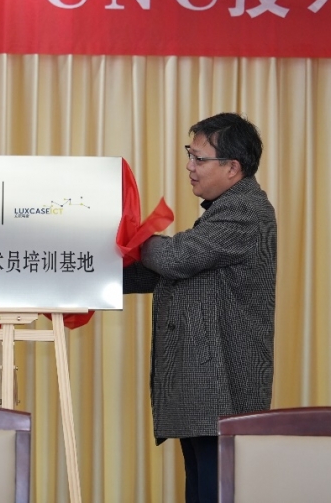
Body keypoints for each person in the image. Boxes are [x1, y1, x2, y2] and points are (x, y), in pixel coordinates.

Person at [124, 112, 277, 503]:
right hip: (205, 388)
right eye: (189, 155)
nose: (189, 166)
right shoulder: (222, 212)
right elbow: (166, 272)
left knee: (213, 490)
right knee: (201, 489)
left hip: (222, 387)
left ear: (232, 167)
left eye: (199, 158)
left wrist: (133, 236)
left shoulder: (245, 212)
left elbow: (177, 258)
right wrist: (93, 275)